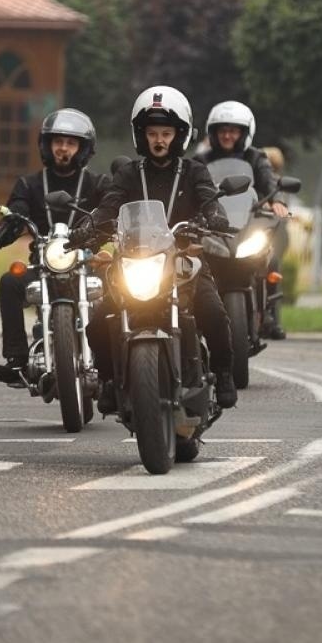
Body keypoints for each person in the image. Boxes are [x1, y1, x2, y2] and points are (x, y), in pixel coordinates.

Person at [74, 86, 237, 411]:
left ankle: (223, 374)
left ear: (180, 135)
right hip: (135, 261)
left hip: (183, 262)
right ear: (141, 135)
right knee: (98, 322)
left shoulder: (194, 171)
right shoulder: (128, 174)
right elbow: (108, 208)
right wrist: (88, 229)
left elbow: (209, 199)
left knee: (215, 314)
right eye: (152, 133)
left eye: (165, 133)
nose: (159, 140)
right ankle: (109, 380)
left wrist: (215, 216)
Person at [0, 108, 107, 385]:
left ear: (83, 148)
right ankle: (17, 360)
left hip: (87, 264)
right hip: (43, 265)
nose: (63, 148)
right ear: (47, 145)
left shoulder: (97, 183)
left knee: (123, 282)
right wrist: (8, 225)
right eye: (57, 141)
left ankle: (123, 357)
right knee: (9, 282)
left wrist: (112, 225)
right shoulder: (29, 184)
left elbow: (113, 207)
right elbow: (17, 208)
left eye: (70, 142)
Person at [195, 100, 292, 340]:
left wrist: (277, 200)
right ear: (213, 132)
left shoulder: (256, 158)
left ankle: (270, 316)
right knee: (191, 263)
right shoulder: (201, 161)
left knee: (270, 259)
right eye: (222, 130)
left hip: (247, 222)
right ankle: (192, 318)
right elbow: (191, 187)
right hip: (214, 226)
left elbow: (268, 181)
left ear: (244, 133)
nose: (227, 135)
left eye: (233, 130)